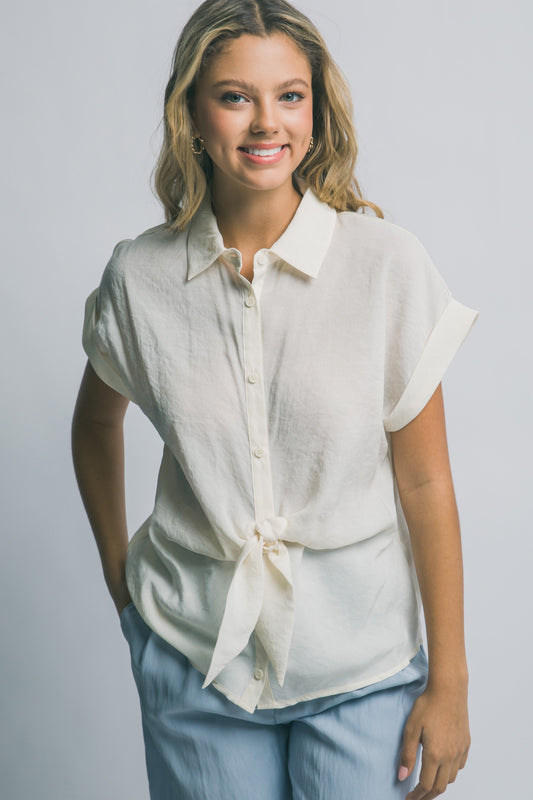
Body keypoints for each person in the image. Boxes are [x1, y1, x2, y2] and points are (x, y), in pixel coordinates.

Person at [71, 1, 479, 798]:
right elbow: (93, 424)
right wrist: (126, 592)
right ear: (191, 113)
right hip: (194, 659)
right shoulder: (139, 279)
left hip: (362, 663)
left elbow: (426, 482)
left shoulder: (385, 266)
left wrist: (451, 682)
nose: (266, 122)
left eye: (290, 96)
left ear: (316, 111)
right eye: (234, 96)